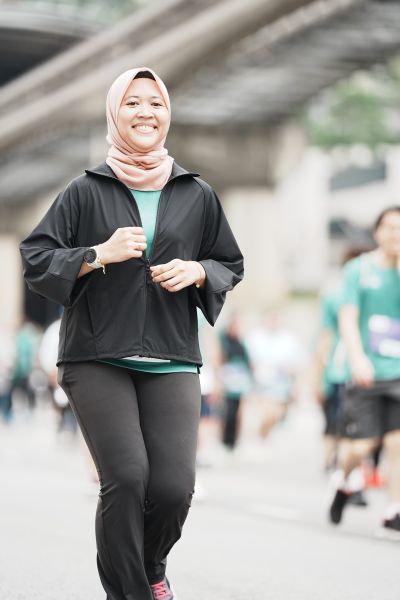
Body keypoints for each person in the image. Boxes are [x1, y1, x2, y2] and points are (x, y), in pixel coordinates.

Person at [20, 67, 243, 600]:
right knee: (125, 477)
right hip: (96, 356)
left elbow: (229, 262)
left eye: (156, 103)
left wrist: (199, 271)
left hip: (172, 355)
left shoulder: (197, 193)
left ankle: (150, 567)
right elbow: (36, 258)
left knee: (173, 488)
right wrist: (97, 254)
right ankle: (131, 593)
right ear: (115, 114)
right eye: (133, 103)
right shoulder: (85, 190)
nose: (146, 112)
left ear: (168, 114)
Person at [328, 206, 400, 533]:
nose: (396, 234)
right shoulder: (359, 269)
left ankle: (393, 508)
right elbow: (348, 316)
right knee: (362, 446)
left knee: (397, 442)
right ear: (377, 232)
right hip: (368, 370)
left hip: (397, 370)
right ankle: (344, 481)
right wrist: (357, 357)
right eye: (390, 227)